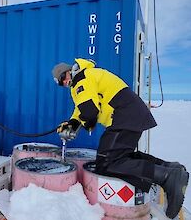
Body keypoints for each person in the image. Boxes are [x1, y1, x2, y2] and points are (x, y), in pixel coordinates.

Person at [52, 58, 189, 219]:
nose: (65, 82)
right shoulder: (85, 78)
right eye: (61, 83)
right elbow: (80, 109)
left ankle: (167, 176)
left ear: (69, 70)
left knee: (107, 161)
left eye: (63, 77)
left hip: (124, 115)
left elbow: (89, 111)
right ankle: (171, 169)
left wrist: (80, 125)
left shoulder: (82, 79)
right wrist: (71, 124)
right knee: (121, 157)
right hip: (129, 114)